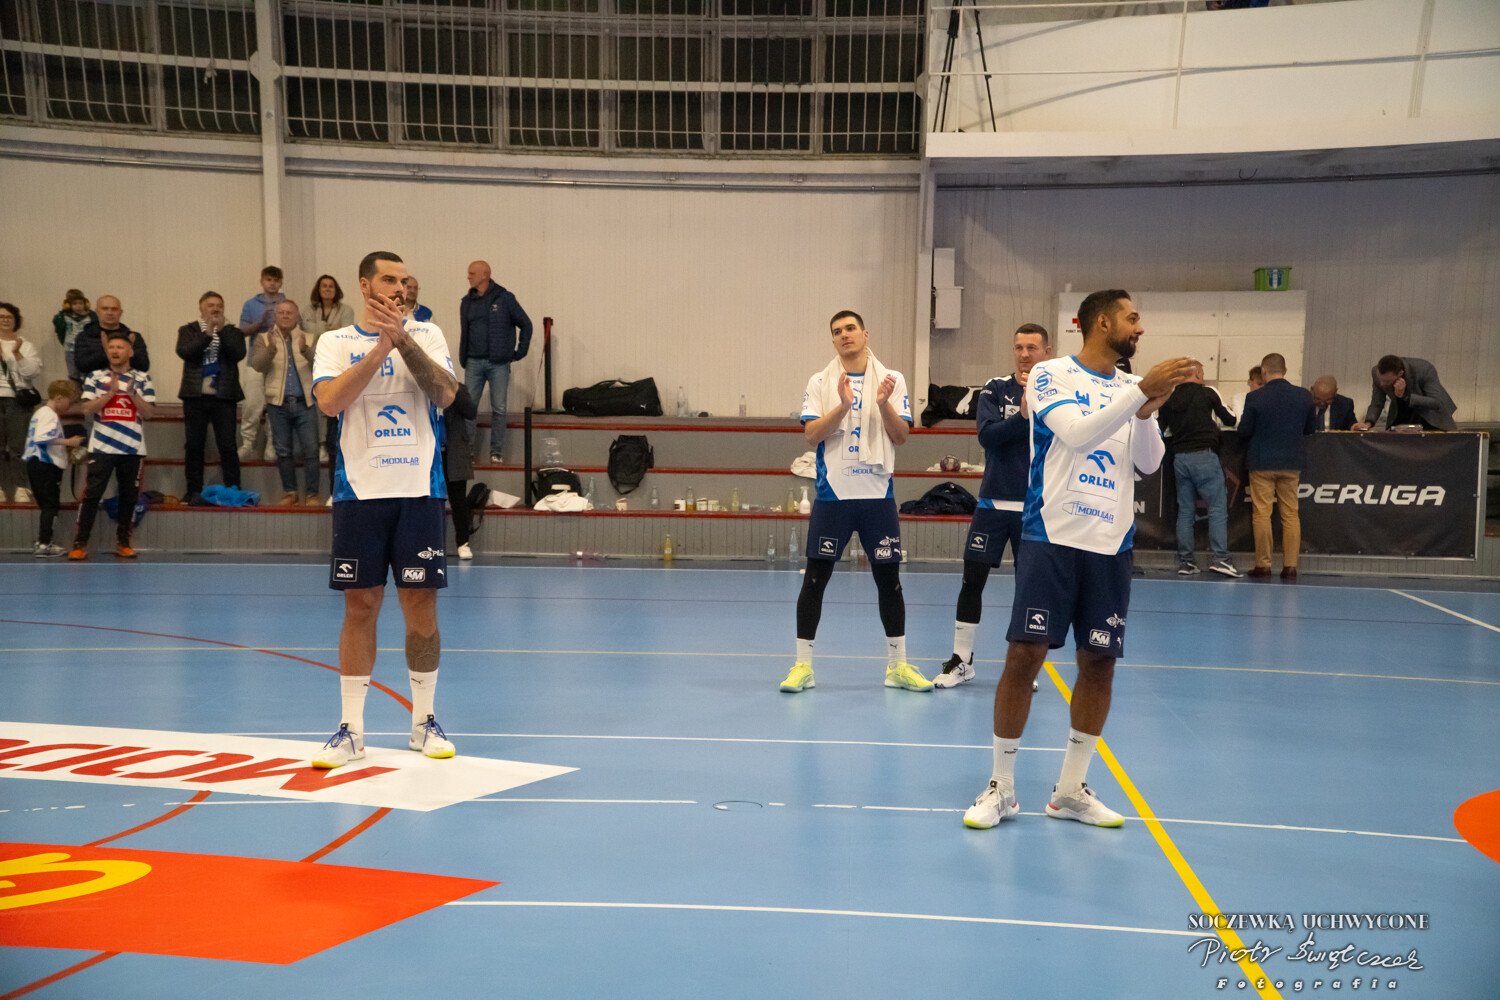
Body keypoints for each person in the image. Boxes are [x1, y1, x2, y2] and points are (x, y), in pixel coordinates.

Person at [963, 289, 1194, 831]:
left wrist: (1146, 412)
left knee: (1100, 662)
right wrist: (1140, 392)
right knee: (1025, 655)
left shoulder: (1128, 388)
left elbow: (1148, 463)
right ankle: (1001, 787)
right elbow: (1075, 432)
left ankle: (1070, 789)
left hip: (1111, 543)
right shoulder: (1051, 375)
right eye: (1132, 317)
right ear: (1103, 322)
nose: (1140, 327)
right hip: (1052, 535)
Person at [309, 250, 460, 770]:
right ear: (365, 285)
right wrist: (379, 350)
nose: (399, 288)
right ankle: (351, 730)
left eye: (404, 280)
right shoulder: (335, 342)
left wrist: (404, 340)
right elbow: (330, 402)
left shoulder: (429, 334)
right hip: (359, 494)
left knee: (420, 607)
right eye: (389, 280)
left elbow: (445, 394)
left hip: (419, 491)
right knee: (361, 607)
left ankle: (424, 722)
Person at [779, 309, 931, 695]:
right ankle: (802, 667)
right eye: (837, 331)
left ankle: (897, 667)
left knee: (889, 583)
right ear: (833, 340)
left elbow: (901, 437)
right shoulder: (820, 381)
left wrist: (882, 403)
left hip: (878, 497)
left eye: (850, 328)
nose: (844, 335)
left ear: (866, 333)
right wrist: (844, 406)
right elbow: (812, 435)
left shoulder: (892, 379)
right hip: (834, 497)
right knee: (815, 581)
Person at [935, 323, 1052, 689]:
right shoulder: (995, 388)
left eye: (1032, 347)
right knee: (972, 581)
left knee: (1030, 588)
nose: (1024, 354)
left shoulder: (1059, 392)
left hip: (1036, 507)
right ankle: (961, 660)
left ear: (1047, 351)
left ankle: (1024, 666)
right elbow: (987, 436)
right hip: (992, 504)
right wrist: (1022, 416)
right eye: (1019, 347)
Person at [69, 330, 156, 560]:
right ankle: (79, 544)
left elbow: (149, 413)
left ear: (130, 352)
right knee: (91, 495)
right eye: (111, 347)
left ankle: (123, 542)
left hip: (132, 448)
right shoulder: (95, 377)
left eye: (120, 347)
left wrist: (132, 395)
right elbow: (86, 409)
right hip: (101, 447)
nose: (115, 351)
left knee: (129, 496)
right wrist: (110, 395)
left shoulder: (143, 378)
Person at [1237, 353, 1315, 581]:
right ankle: (1290, 567)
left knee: (1262, 513)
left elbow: (1244, 430)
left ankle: (1263, 565)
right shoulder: (1304, 396)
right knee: (1290, 514)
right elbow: (1310, 429)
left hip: (1262, 462)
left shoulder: (1255, 397)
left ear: (1263, 371)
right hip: (1292, 462)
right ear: (1285, 370)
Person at [1159, 361, 1240, 578]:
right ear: (1196, 372)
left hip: (1180, 458)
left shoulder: (1167, 397)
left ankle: (1186, 562)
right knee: (1217, 509)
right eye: (1202, 372)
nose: (1203, 376)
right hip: (1205, 455)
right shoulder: (1207, 393)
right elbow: (1230, 419)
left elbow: (1160, 429)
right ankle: (1221, 560)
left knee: (1185, 511)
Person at [176, 291, 246, 505]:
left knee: (228, 445)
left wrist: (221, 331)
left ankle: (233, 489)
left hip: (224, 396)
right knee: (194, 445)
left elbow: (238, 354)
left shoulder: (232, 331)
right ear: (201, 308)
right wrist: (207, 335)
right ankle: (193, 490)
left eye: (219, 306)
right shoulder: (188, 330)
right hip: (195, 396)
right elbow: (185, 352)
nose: (215, 309)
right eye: (210, 305)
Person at [459, 260, 532, 464]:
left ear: (485, 275)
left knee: (499, 408)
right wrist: (464, 357)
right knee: (469, 408)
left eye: (472, 273)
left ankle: (496, 451)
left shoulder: (505, 298)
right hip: (473, 362)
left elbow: (526, 324)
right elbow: (466, 331)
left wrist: (519, 352)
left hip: (498, 363)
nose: (468, 277)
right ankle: (467, 453)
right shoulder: (466, 301)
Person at [250, 300, 320, 505]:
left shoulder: (310, 338)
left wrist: (305, 350)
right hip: (277, 404)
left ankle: (312, 494)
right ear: (275, 316)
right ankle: (290, 492)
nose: (285, 315)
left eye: (290, 312)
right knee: (283, 451)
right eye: (281, 312)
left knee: (311, 450)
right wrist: (271, 349)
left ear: (297, 316)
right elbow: (257, 365)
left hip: (305, 402)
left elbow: (322, 364)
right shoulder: (264, 338)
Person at [305, 274, 357, 498]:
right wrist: (329, 329)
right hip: (314, 364)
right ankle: (333, 489)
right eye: (323, 286)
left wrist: (320, 330)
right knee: (322, 415)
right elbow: (306, 331)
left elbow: (345, 333)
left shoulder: (346, 310)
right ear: (318, 289)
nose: (327, 289)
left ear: (337, 290)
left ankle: (345, 491)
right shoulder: (308, 310)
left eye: (331, 286)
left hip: (341, 370)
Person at [24, 380, 85, 556]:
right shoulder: (48, 414)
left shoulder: (40, 413)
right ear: (59, 398)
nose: (70, 407)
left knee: (47, 505)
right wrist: (68, 442)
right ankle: (44, 543)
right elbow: (42, 438)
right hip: (45, 465)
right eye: (69, 402)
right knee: (50, 505)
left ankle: (44, 541)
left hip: (37, 464)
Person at [237, 265, 286, 462]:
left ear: (281, 283)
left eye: (276, 280)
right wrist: (261, 323)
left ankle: (272, 444)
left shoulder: (286, 304)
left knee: (275, 402)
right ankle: (248, 443)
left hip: (279, 361)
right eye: (268, 280)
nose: (272, 284)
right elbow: (241, 331)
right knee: (252, 403)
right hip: (255, 360)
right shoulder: (251, 304)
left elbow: (296, 327)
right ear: (262, 282)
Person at [1, 301, 44, 503]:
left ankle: (21, 486)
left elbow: (31, 373)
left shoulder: (25, 345)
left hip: (17, 400)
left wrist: (17, 354)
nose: (4, 320)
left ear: (15, 320)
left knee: (18, 447)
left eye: (8, 317)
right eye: (1, 317)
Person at [1353, 355, 1457, 432]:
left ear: (1400, 374)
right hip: (1400, 413)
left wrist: (1406, 396)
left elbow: (1436, 402)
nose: (1382, 384)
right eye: (1381, 380)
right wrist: (1368, 423)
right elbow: (1377, 402)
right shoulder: (1376, 373)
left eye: (1387, 381)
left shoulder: (1424, 369)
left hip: (1430, 416)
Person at [73, 295, 151, 379]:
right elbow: (82, 366)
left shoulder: (132, 337)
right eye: (105, 309)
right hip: (94, 384)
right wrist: (105, 352)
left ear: (120, 312)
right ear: (97, 312)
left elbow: (143, 366)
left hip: (129, 384)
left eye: (114, 309)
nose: (109, 313)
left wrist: (128, 350)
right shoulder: (85, 337)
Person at [442, 385, 479, 561]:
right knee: (428, 502)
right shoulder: (423, 388)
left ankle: (463, 543)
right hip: (430, 453)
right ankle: (429, 542)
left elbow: (471, 412)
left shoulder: (457, 388)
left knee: (458, 501)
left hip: (453, 452)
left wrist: (452, 388)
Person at [52, 289, 96, 383]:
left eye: (80, 303)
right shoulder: (64, 317)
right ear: (68, 305)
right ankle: (74, 389)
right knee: (73, 373)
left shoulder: (90, 316)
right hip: (70, 348)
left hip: (86, 348)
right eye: (74, 304)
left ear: (85, 303)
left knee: (87, 371)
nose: (78, 306)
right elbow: (60, 331)